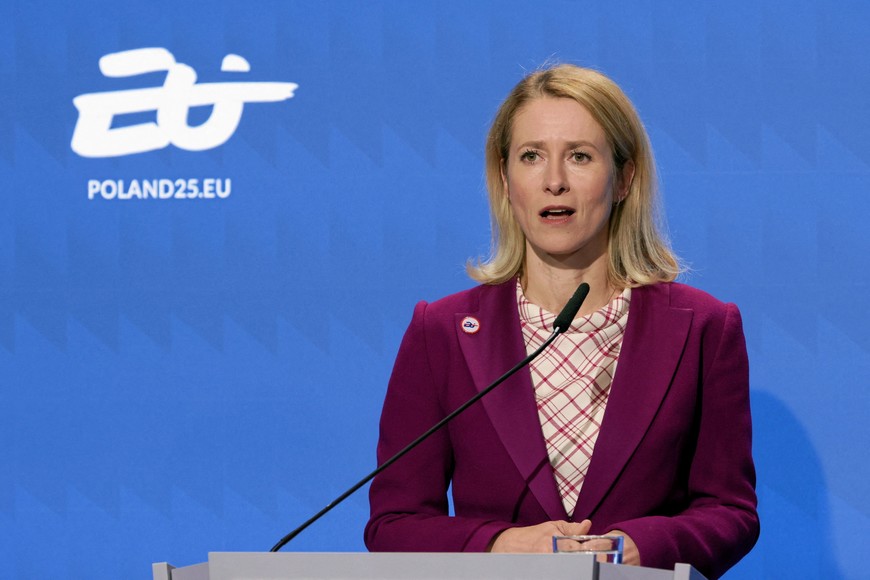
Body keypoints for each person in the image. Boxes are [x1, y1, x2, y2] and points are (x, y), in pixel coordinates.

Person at [364, 64, 759, 579]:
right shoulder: (441, 332)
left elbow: (730, 511)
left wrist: (639, 548)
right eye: (531, 156)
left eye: (579, 156)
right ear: (505, 179)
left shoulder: (703, 328)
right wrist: (499, 546)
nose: (554, 182)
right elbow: (394, 523)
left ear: (624, 179)